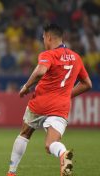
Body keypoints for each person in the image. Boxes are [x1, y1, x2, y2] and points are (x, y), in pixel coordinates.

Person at [6, 24, 92, 176]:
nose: (43, 40)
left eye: (43, 37)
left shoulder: (48, 54)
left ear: (49, 37)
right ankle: (63, 153)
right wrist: (65, 94)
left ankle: (11, 172)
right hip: (61, 107)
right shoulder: (76, 57)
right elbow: (87, 84)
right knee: (51, 144)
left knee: (25, 133)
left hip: (40, 103)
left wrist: (26, 86)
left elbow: (40, 71)